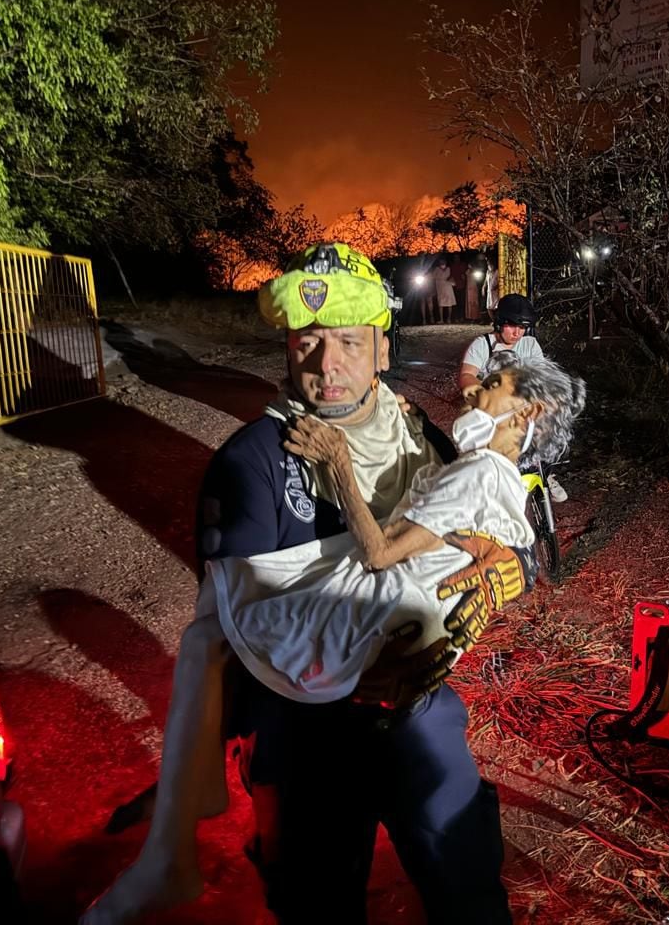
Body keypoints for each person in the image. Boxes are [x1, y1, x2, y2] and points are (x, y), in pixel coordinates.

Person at [83, 242, 532, 925]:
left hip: (419, 720)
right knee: (316, 902)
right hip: (304, 738)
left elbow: (488, 526)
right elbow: (239, 630)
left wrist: (508, 572)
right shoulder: (255, 463)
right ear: (288, 350)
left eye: (349, 342)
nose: (327, 364)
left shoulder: (423, 441)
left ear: (382, 350)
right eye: (309, 342)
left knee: (468, 885)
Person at [218, 357, 585, 705]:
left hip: (347, 631)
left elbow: (380, 554)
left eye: (491, 385)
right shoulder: (505, 486)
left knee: (227, 634)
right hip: (391, 652)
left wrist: (338, 461)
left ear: (526, 413)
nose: (470, 390)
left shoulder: (480, 472)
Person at [460, 293, 569, 503]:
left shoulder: (529, 344)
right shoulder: (482, 344)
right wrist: (484, 396)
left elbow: (540, 374)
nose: (517, 332)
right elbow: (466, 375)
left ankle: (546, 474)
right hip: (493, 410)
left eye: (522, 327)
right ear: (499, 322)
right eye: (511, 325)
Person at [432, 256, 457, 325]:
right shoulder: (437, 269)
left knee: (449, 303)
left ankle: (449, 319)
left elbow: (450, 276)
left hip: (448, 287)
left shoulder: (448, 269)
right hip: (440, 288)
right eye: (441, 262)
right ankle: (441, 319)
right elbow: (433, 277)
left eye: (443, 262)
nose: (442, 263)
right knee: (441, 304)